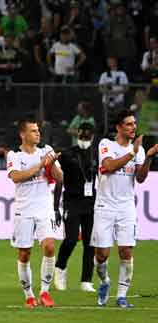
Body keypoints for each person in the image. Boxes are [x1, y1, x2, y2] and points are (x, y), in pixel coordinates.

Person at [92, 110, 156, 308]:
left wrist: (149, 158)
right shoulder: (106, 144)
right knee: (102, 254)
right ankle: (104, 281)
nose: (133, 127)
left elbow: (140, 178)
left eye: (134, 123)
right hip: (104, 205)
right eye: (129, 124)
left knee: (126, 251)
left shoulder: (139, 150)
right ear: (118, 127)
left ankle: (121, 296)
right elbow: (109, 166)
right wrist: (132, 153)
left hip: (126, 206)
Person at [6, 118, 63, 308]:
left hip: (44, 208)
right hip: (24, 210)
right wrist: (40, 165)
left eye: (38, 130)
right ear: (23, 134)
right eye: (33, 131)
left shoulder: (46, 150)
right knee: (24, 254)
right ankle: (29, 295)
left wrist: (51, 164)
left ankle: (45, 292)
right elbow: (16, 177)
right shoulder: (14, 155)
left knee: (50, 246)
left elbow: (60, 178)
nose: (38, 133)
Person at [54, 121, 97, 293]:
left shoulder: (97, 154)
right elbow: (57, 177)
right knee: (71, 239)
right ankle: (60, 268)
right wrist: (56, 206)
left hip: (91, 203)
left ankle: (86, 280)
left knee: (90, 243)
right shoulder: (67, 154)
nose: (84, 138)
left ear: (92, 136)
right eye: (81, 134)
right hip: (72, 202)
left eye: (87, 135)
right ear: (77, 134)